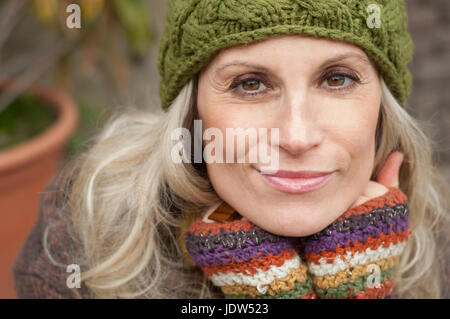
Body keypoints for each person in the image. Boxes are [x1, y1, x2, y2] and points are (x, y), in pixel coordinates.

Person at [13, 0, 449, 299]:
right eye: (250, 84)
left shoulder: (439, 237)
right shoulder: (83, 244)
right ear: (193, 113)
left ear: (383, 109)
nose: (296, 137)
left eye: (337, 79)